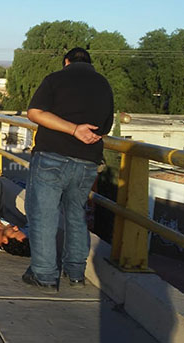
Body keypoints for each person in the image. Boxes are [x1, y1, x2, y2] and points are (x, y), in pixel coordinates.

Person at [23, 47, 114, 291]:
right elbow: (105, 126)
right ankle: (75, 273)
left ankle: (43, 274)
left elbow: (34, 113)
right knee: (76, 214)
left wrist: (73, 129)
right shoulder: (104, 85)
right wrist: (84, 133)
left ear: (66, 62)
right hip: (87, 161)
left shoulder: (55, 79)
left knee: (44, 214)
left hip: (52, 156)